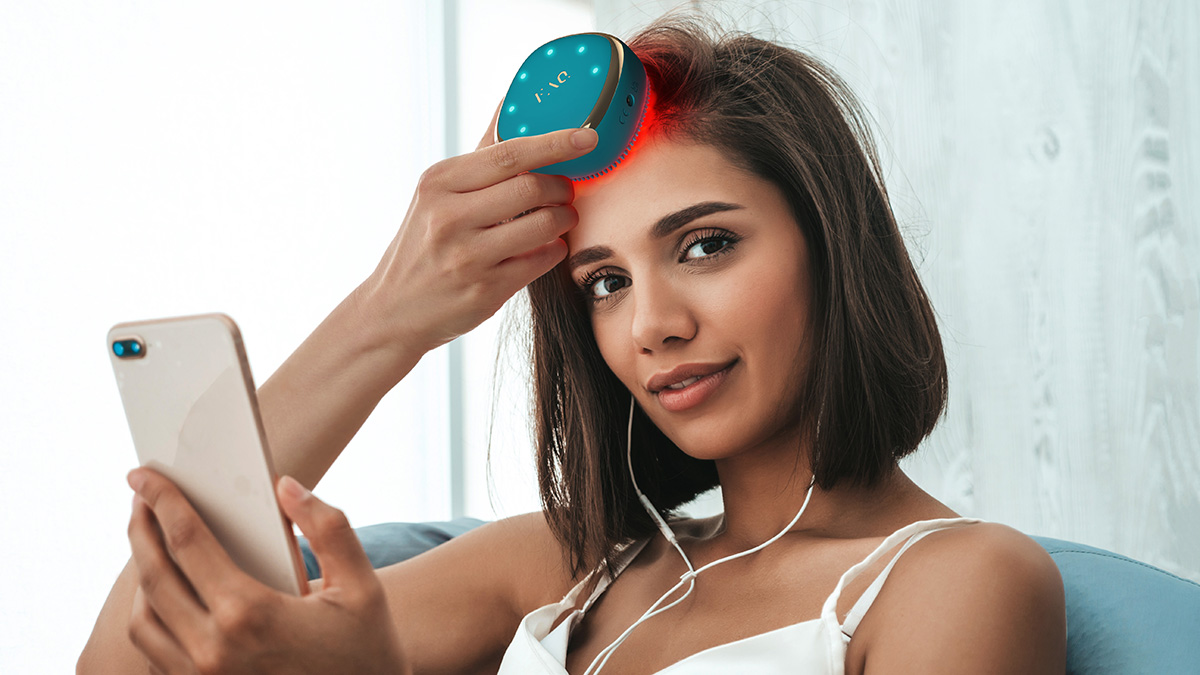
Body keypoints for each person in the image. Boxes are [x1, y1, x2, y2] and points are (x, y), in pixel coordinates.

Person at [79, 13, 1067, 675]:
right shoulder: (565, 566)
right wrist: (390, 315)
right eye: (605, 281)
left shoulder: (959, 580)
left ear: (833, 245)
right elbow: (119, 664)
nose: (652, 324)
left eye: (706, 244)